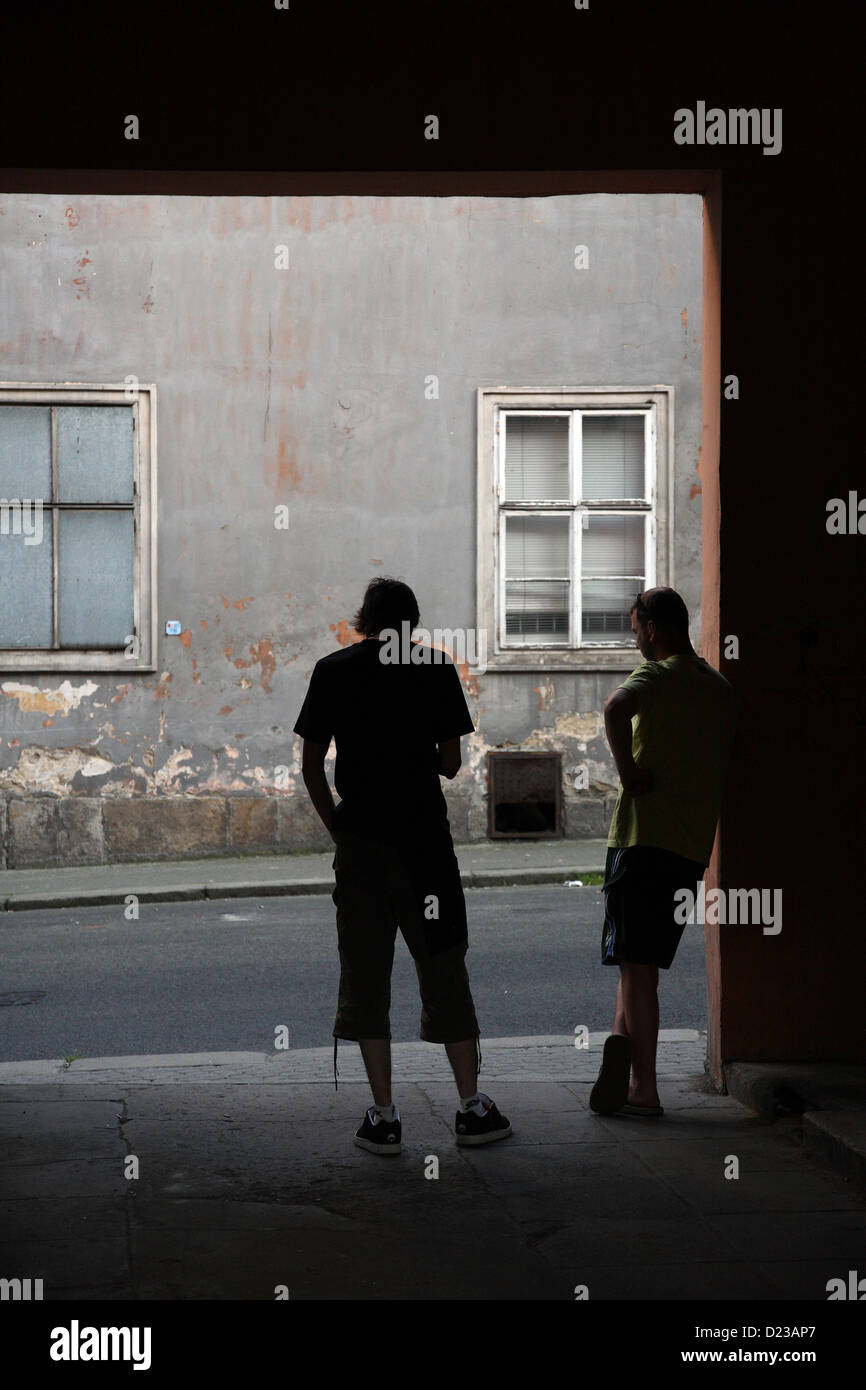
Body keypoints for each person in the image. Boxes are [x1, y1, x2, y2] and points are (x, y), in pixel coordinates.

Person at [293, 577, 512, 1154]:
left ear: (363, 619)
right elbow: (450, 763)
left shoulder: (332, 670)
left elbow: (312, 766)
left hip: (362, 843)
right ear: (413, 622)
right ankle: (470, 1109)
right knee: (442, 964)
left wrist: (337, 825)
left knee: (365, 972)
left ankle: (385, 1118)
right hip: (424, 847)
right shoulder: (435, 669)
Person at [590, 587, 738, 1119]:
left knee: (635, 968)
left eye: (634, 630)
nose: (634, 640)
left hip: (641, 838)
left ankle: (644, 1088)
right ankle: (617, 1044)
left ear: (653, 629)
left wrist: (628, 770)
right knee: (641, 963)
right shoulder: (719, 687)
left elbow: (615, 707)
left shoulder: (658, 674)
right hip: (690, 846)